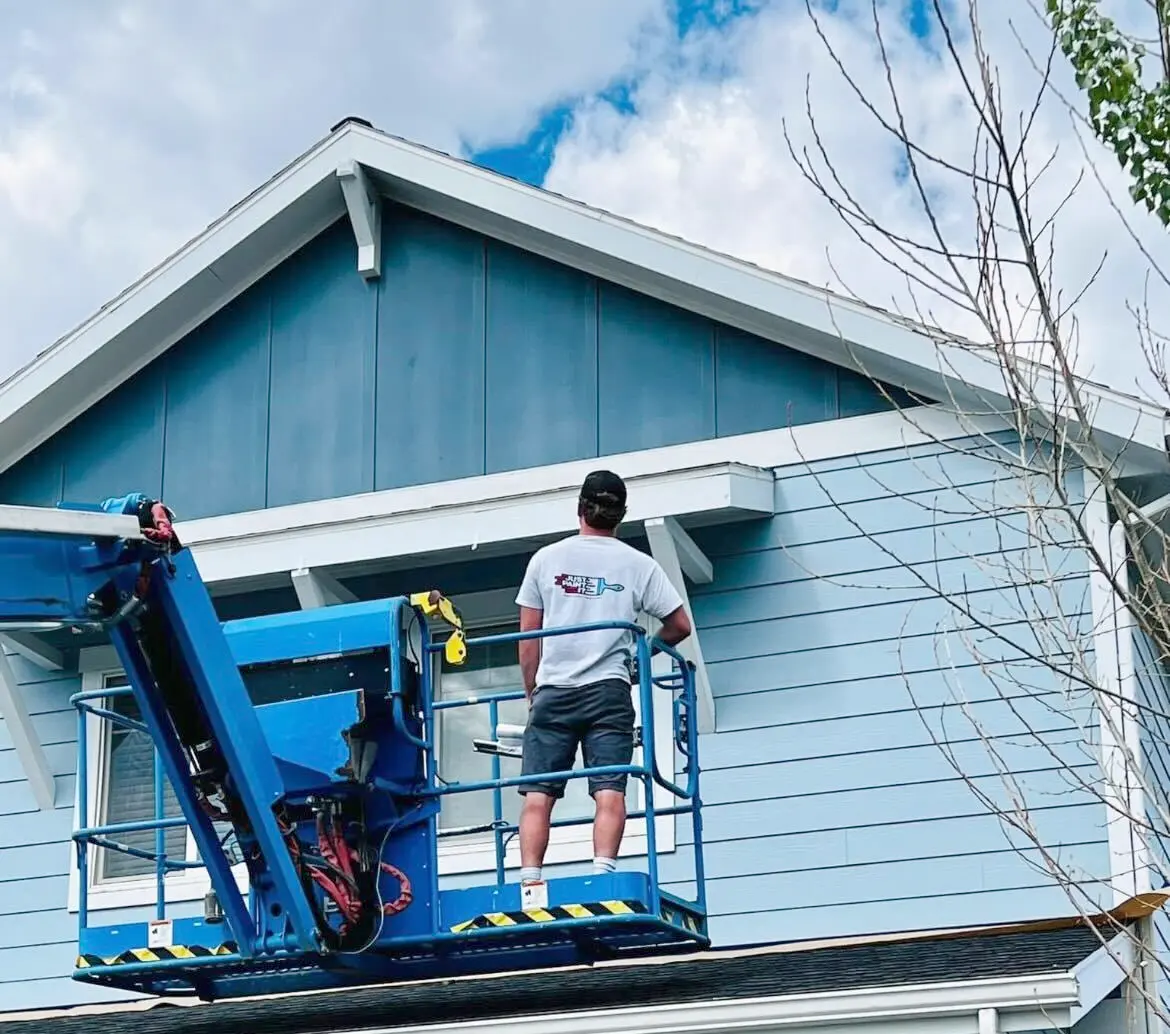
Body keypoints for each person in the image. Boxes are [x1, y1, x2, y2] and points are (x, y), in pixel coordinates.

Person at [513, 470, 693, 889]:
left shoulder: (546, 559)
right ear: (621, 515)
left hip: (554, 690)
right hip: (609, 691)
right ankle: (602, 875)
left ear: (580, 509)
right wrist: (640, 656)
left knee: (538, 795)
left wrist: (531, 690)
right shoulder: (638, 564)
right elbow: (679, 624)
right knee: (610, 788)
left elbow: (528, 639)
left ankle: (530, 882)